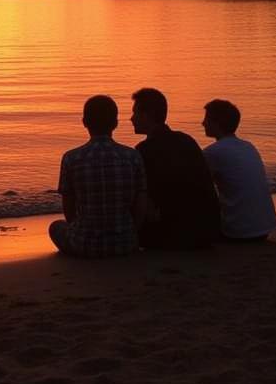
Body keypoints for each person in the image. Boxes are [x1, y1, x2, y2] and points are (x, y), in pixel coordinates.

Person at [49, 94, 147, 257]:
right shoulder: (133, 156)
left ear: (84, 122)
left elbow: (69, 207)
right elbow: (140, 205)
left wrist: (77, 228)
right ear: (115, 123)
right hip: (126, 244)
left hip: (85, 246)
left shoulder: (72, 158)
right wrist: (132, 232)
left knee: (55, 227)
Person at [131, 87, 219, 249]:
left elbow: (143, 196)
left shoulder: (144, 150)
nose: (131, 119)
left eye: (135, 113)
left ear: (148, 115)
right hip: (206, 231)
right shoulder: (187, 140)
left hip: (174, 235)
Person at [201, 99, 276, 242]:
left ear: (217, 122)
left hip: (239, 232)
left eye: (206, 119)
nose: (203, 123)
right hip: (266, 226)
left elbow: (198, 187)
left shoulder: (213, 152)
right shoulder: (248, 146)